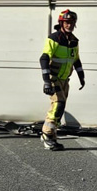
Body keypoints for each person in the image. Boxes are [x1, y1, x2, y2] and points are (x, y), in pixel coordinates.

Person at [39, 9, 85, 150]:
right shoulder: (54, 38)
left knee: (59, 106)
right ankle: (46, 134)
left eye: (72, 22)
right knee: (59, 103)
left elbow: (76, 60)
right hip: (54, 78)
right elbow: (44, 58)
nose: (69, 25)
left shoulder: (73, 41)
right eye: (66, 22)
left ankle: (52, 134)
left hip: (65, 79)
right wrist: (46, 81)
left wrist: (81, 76)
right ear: (61, 23)